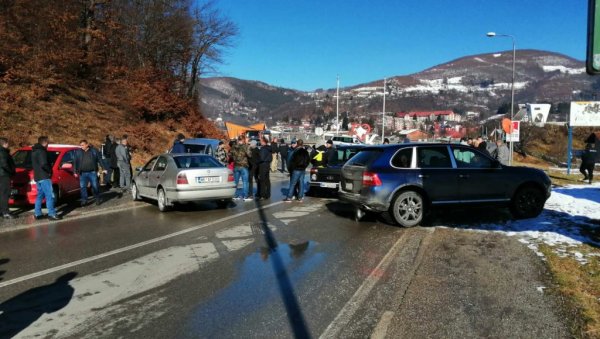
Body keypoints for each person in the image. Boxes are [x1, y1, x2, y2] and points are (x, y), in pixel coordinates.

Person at [32, 136, 61, 220]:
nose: (48, 144)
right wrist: (50, 171)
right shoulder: (42, 151)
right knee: (50, 196)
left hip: (38, 176)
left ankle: (38, 214)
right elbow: (44, 164)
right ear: (44, 143)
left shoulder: (34, 151)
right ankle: (51, 214)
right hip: (44, 176)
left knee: (40, 195)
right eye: (47, 142)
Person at [74, 140, 106, 206]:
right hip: (82, 173)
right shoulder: (78, 152)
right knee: (83, 187)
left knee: (95, 186)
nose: (81, 147)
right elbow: (75, 162)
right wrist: (75, 171)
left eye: (83, 145)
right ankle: (84, 200)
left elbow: (100, 160)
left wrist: (104, 168)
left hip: (92, 172)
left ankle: (97, 198)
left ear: (87, 145)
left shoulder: (94, 151)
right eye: (80, 145)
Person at [230, 136, 252, 201]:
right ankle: (245, 196)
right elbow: (249, 155)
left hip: (236, 166)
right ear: (242, 140)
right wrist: (248, 145)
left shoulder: (233, 147)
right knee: (245, 182)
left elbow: (230, 155)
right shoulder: (245, 146)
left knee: (235, 182)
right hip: (243, 166)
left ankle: (235, 195)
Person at [0, 138, 16, 219]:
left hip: (2, 175)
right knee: (5, 194)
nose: (8, 144)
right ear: (5, 144)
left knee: (2, 194)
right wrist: (11, 171)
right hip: (4, 175)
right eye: (8, 143)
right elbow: (4, 164)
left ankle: (2, 211)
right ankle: (5, 212)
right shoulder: (3, 152)